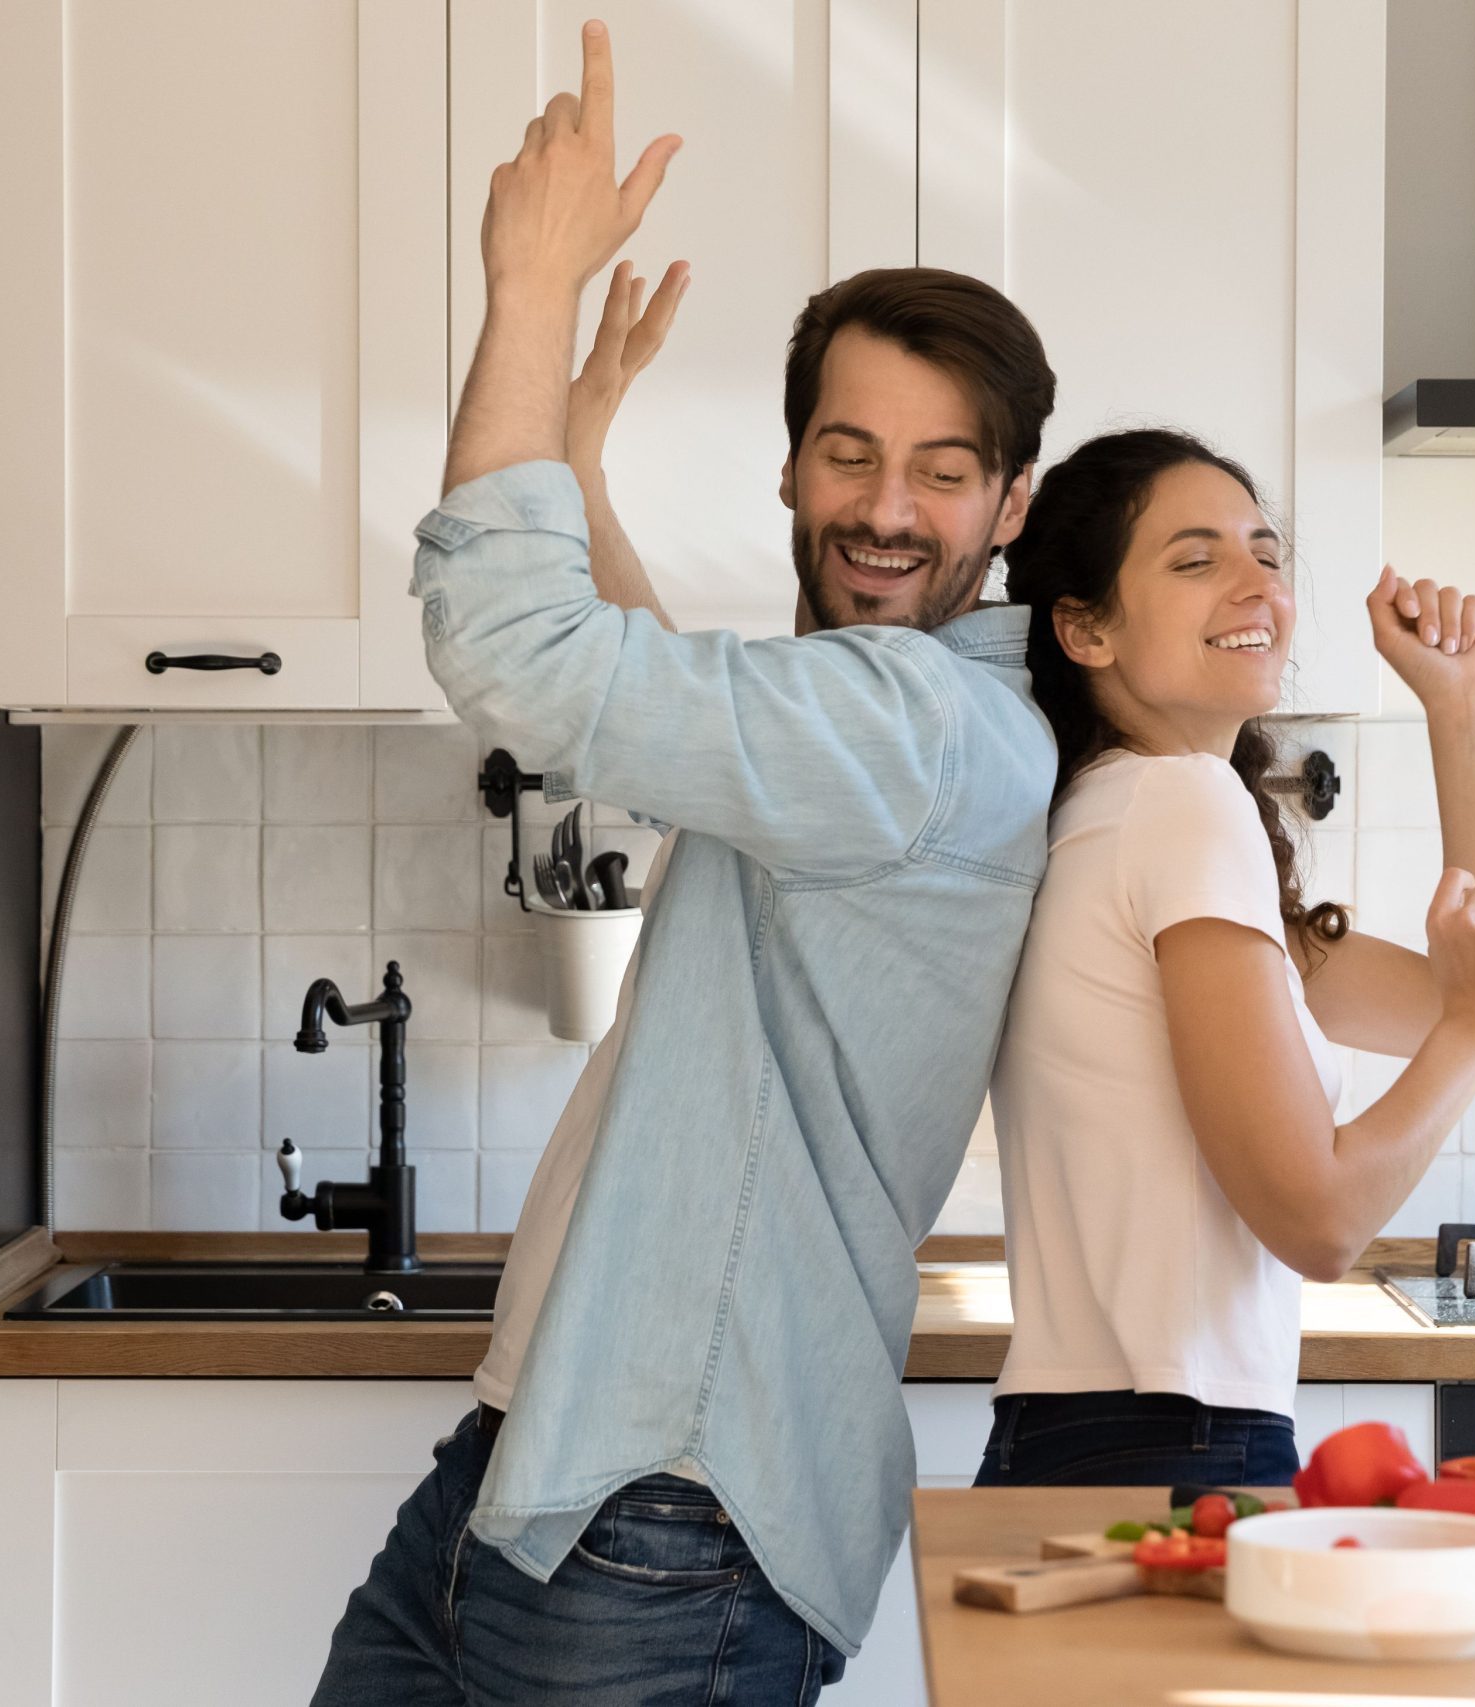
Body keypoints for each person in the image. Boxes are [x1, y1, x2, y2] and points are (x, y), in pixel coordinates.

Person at [311, 23, 1060, 1704]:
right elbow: (667, 709)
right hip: (556, 1458)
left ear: (1012, 505)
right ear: (792, 466)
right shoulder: (875, 728)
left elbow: (520, 652)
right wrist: (574, 447)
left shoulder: (920, 724)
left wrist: (526, 283)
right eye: (851, 453)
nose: (888, 506)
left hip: (669, 1503)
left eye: (945, 472)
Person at [976, 428, 1475, 1489]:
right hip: (1166, 1442)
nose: (1258, 587)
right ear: (1085, 628)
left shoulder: (1117, 811)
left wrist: (1463, 711)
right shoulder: (1178, 806)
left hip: (1101, 1434)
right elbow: (1319, 1221)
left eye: (1266, 555)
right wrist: (1470, 1023)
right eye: (1196, 562)